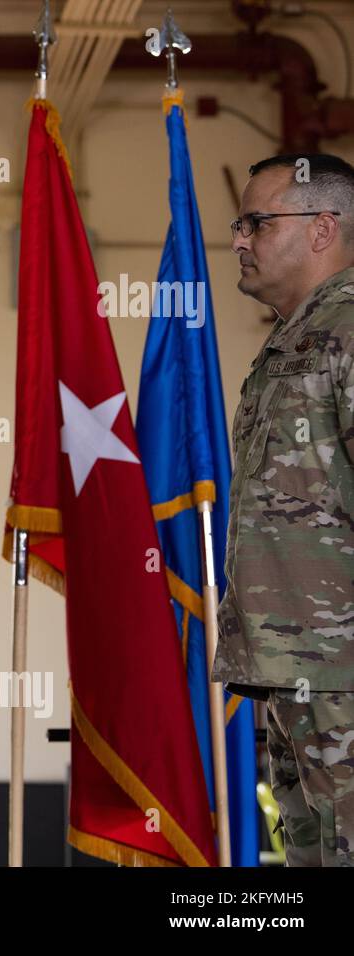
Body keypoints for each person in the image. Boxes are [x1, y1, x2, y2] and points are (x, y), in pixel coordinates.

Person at [216, 152, 354, 866]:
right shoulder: (291, 341)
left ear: (323, 228)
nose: (239, 238)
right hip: (296, 670)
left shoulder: (349, 332)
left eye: (257, 222)